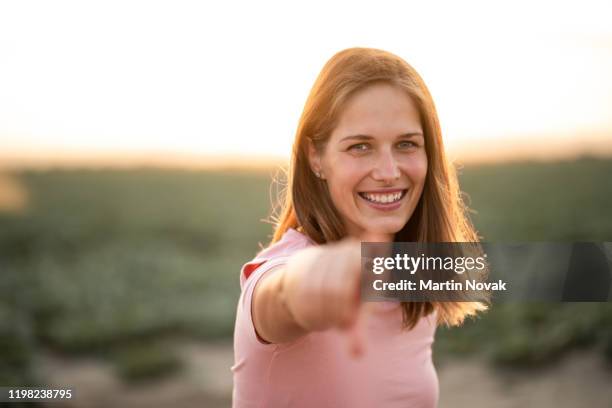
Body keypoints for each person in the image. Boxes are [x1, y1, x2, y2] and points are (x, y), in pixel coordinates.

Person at [232, 47, 487, 407]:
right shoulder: (283, 269)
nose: (388, 172)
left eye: (406, 144)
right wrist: (306, 283)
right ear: (315, 157)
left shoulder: (413, 270)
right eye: (360, 146)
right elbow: (279, 296)